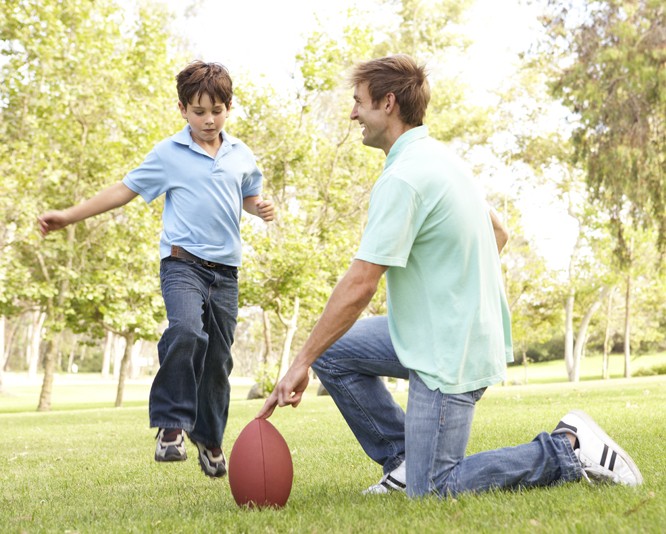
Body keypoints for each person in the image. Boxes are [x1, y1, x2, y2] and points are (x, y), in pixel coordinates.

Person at [257, 54, 642, 497]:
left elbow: (361, 283)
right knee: (333, 351)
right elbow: (499, 231)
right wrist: (458, 292)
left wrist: (298, 363)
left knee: (435, 488)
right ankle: (404, 461)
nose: (352, 113)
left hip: (449, 351)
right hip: (439, 331)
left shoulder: (404, 177)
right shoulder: (440, 158)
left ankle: (567, 447)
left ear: (388, 103)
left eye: (358, 102)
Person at [39, 60, 274, 478]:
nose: (208, 119)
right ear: (182, 109)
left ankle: (209, 437)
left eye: (216, 110)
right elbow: (123, 190)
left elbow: (249, 194)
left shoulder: (240, 154)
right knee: (185, 331)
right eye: (199, 111)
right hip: (182, 265)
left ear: (229, 108)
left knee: (218, 360)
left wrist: (260, 208)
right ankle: (171, 424)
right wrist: (68, 217)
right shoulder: (169, 154)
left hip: (226, 274)